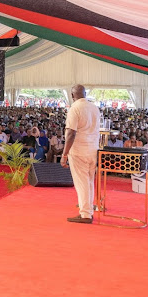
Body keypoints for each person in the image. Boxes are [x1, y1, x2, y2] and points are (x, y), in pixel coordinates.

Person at [61, 84, 100, 224]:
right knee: (89, 182)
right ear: (85, 93)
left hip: (79, 151)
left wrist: (64, 154)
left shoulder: (75, 108)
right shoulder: (94, 108)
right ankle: (88, 210)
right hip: (93, 151)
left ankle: (85, 214)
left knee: (82, 183)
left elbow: (71, 133)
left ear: (72, 95)